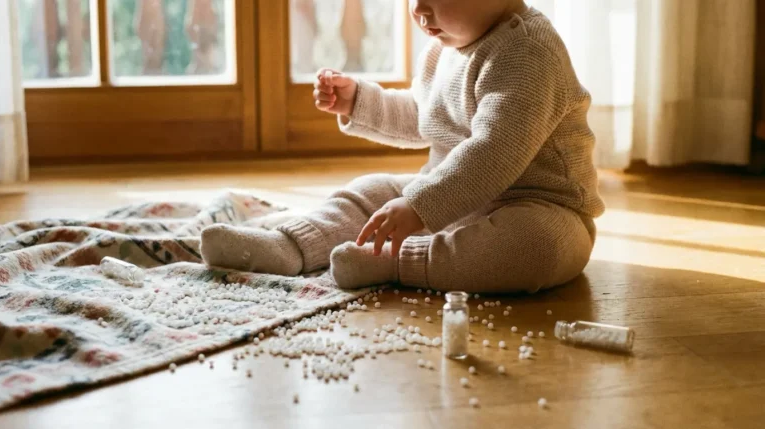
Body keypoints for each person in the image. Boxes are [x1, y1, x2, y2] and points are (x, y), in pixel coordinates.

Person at [200, 0, 604, 293]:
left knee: (535, 248)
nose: (418, 10)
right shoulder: (445, 46)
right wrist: (360, 101)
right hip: (452, 200)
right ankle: (291, 246)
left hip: (540, 206)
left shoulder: (529, 52)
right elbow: (422, 115)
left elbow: (493, 153)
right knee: (372, 190)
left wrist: (420, 206)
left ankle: (398, 261)